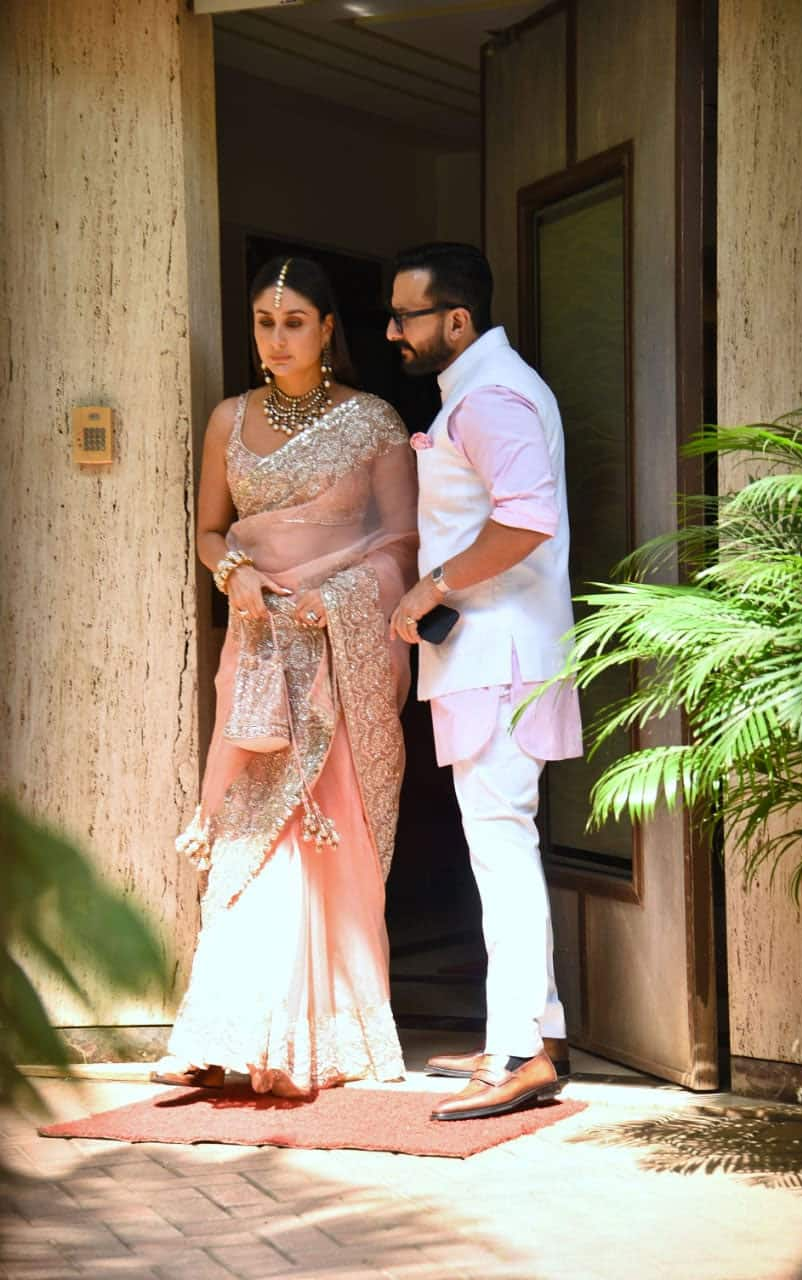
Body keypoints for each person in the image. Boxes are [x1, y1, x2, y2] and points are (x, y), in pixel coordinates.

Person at [153, 256, 418, 1097]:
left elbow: (400, 547)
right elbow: (208, 532)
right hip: (259, 645)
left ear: (329, 327)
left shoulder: (373, 421)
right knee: (245, 829)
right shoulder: (228, 417)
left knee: (321, 833)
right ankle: (223, 1025)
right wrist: (233, 574)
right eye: (266, 324)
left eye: (294, 322)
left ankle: (319, 1038)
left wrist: (334, 599)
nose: (278, 339)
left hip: (340, 656)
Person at [388, 243, 583, 1121]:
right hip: (498, 654)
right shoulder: (486, 386)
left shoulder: (491, 393)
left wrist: (432, 585)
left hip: (495, 657)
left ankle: (516, 1052)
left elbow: (528, 520)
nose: (391, 330)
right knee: (502, 844)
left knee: (500, 848)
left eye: (407, 315)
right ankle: (530, 1030)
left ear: (456, 319)